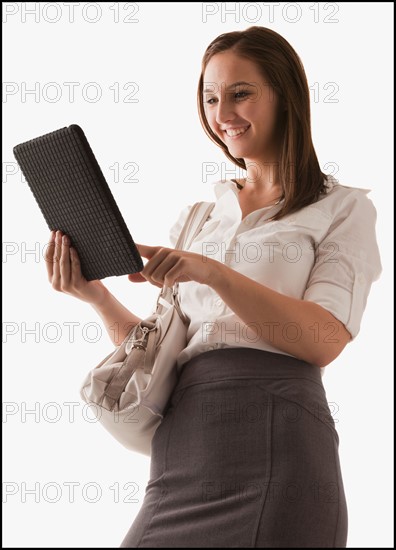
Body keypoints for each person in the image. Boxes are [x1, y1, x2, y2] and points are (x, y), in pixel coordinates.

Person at [46, 26, 382, 548]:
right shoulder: (200, 218)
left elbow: (325, 341)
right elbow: (163, 351)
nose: (222, 112)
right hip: (184, 446)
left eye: (240, 93)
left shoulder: (341, 209)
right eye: (210, 97)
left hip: (278, 443)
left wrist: (212, 272)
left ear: (286, 95)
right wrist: (96, 296)